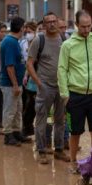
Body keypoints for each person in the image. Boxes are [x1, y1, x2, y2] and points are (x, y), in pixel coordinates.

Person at [58, 10, 92, 169]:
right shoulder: (68, 45)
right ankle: (73, 161)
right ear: (76, 25)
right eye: (83, 27)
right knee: (75, 132)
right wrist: (65, 95)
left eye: (89, 26)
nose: (86, 30)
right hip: (75, 96)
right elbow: (62, 69)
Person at [27, 12, 71, 163]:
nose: (52, 24)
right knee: (42, 119)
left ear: (58, 23)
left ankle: (59, 149)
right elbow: (29, 63)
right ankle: (41, 150)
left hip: (61, 86)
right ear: (44, 25)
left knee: (60, 119)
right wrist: (38, 82)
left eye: (54, 21)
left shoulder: (64, 39)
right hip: (45, 86)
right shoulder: (38, 41)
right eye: (49, 22)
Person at [0, 17, 32, 146]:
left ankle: (16, 132)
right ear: (20, 28)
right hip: (10, 84)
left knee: (18, 108)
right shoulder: (10, 42)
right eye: (24, 27)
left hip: (17, 83)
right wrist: (14, 84)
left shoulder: (14, 41)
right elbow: (9, 66)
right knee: (10, 110)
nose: (25, 29)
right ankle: (8, 135)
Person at [21, 21, 38, 137]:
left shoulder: (38, 43)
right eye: (26, 32)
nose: (28, 34)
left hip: (39, 77)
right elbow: (28, 63)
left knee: (35, 106)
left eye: (30, 32)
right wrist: (26, 76)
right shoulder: (23, 43)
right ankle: (27, 127)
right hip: (29, 80)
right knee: (29, 105)